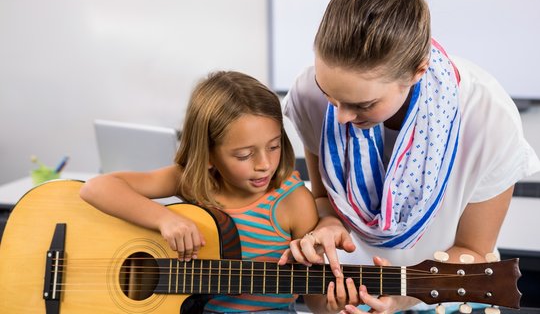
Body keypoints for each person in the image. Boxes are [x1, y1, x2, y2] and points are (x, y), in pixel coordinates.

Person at [279, 0, 540, 313]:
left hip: (440, 295)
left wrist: (404, 297)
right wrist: (324, 224)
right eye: (330, 95)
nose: (338, 117)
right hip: (336, 295)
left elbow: (475, 250)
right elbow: (325, 200)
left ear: (418, 71)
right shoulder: (309, 95)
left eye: (363, 104)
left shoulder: (487, 116)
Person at [80, 71, 354, 313]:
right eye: (245, 154)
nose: (264, 165)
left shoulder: (293, 202)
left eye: (273, 146)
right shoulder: (191, 181)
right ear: (209, 156)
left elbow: (314, 296)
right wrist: (165, 219)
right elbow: (96, 188)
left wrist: (332, 304)